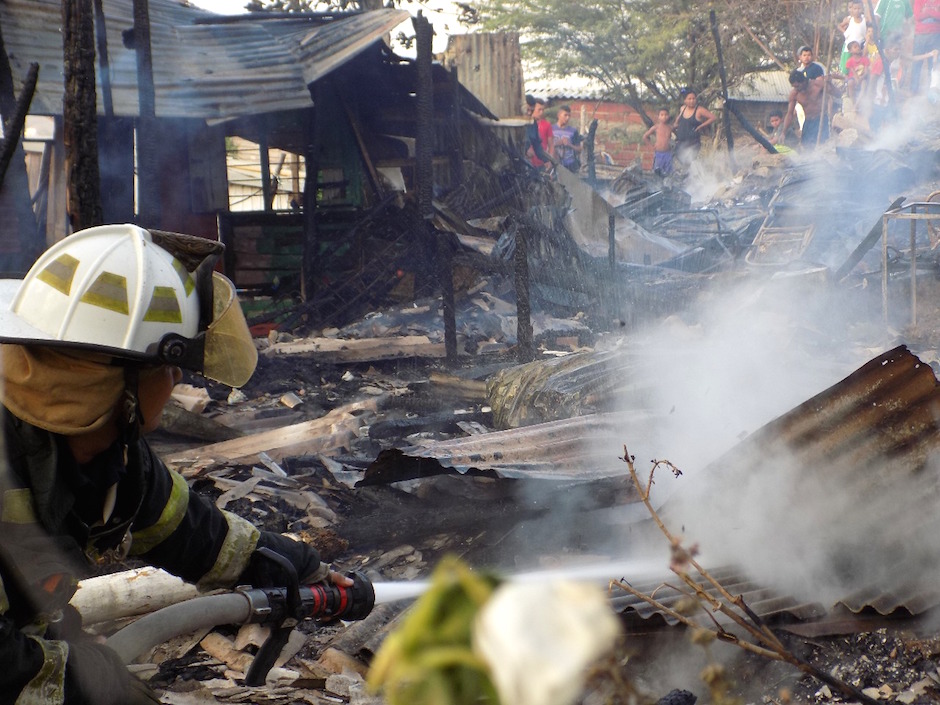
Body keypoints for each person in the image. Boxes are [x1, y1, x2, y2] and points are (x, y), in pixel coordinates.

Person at [0, 224, 353, 704]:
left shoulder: (107, 454)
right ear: (118, 382)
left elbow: (191, 532)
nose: (175, 381)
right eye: (169, 367)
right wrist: (82, 678)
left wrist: (297, 566)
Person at [782, 69, 844, 149]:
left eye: (798, 86)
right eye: (794, 87)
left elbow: (838, 94)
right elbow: (790, 114)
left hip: (822, 119)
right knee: (807, 147)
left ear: (804, 81)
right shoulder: (794, 94)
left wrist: (829, 84)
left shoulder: (818, 85)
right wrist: (783, 132)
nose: (796, 89)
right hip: (808, 122)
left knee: (823, 145)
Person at [673, 89, 716, 166]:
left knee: (689, 160)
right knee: (680, 160)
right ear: (685, 100)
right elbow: (679, 116)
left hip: (693, 142)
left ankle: (692, 175)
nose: (692, 101)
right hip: (681, 141)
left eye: (693, 98)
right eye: (689, 99)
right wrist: (676, 123)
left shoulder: (699, 110)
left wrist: (701, 126)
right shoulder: (683, 108)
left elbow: (713, 117)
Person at [911, 0, 940, 94]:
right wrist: (934, 13)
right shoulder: (919, 0)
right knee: (916, 63)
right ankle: (913, 90)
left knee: (934, 64)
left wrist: (927, 12)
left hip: (936, 35)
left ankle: (931, 90)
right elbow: (917, 16)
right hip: (920, 35)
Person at [839, 0, 870, 73]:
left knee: (858, 67)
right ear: (852, 9)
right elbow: (840, 26)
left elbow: (868, 29)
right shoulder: (850, 19)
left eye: (859, 8)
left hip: (860, 46)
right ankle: (846, 81)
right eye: (855, 9)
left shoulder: (865, 20)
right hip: (849, 47)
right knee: (846, 68)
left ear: (862, 9)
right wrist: (845, 32)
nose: (857, 11)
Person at [642, 108, 675, 175]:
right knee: (657, 171)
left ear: (668, 116)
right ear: (658, 117)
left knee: (668, 172)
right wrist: (651, 146)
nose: (664, 117)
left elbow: (677, 136)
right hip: (658, 153)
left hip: (668, 153)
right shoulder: (656, 127)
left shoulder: (670, 127)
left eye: (666, 115)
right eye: (662, 115)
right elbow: (645, 136)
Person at [526, 96, 555, 170]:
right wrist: (526, 149)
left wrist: (548, 160)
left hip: (535, 165)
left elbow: (537, 146)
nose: (529, 113)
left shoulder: (533, 124)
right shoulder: (514, 123)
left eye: (531, 110)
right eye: (527, 110)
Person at [551, 105, 583, 172]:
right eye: (565, 115)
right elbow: (546, 147)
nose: (567, 118)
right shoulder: (551, 129)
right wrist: (557, 143)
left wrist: (569, 145)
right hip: (554, 164)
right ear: (559, 115)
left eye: (569, 116)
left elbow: (579, 149)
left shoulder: (573, 131)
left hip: (570, 165)